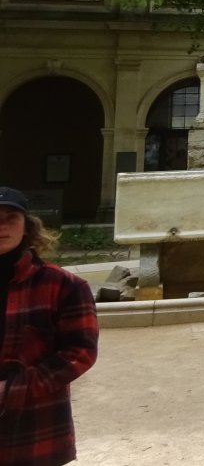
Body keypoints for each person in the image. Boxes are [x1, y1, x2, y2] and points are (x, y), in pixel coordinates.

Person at [1, 186, 99, 466]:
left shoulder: (63, 286)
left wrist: (12, 390)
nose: (2, 227)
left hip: (34, 425)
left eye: (11, 217)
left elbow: (80, 353)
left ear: (27, 227)